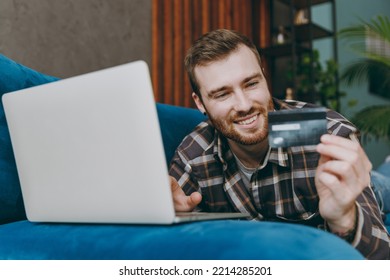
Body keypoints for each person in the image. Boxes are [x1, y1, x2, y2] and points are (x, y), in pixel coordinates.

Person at [168, 29, 390, 259]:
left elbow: (382, 257)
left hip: (371, 183)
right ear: (200, 103)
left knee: (382, 183)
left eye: (251, 83)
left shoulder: (328, 133)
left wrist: (345, 219)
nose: (244, 105)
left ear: (264, 77)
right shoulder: (192, 156)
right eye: (222, 94)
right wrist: (168, 219)